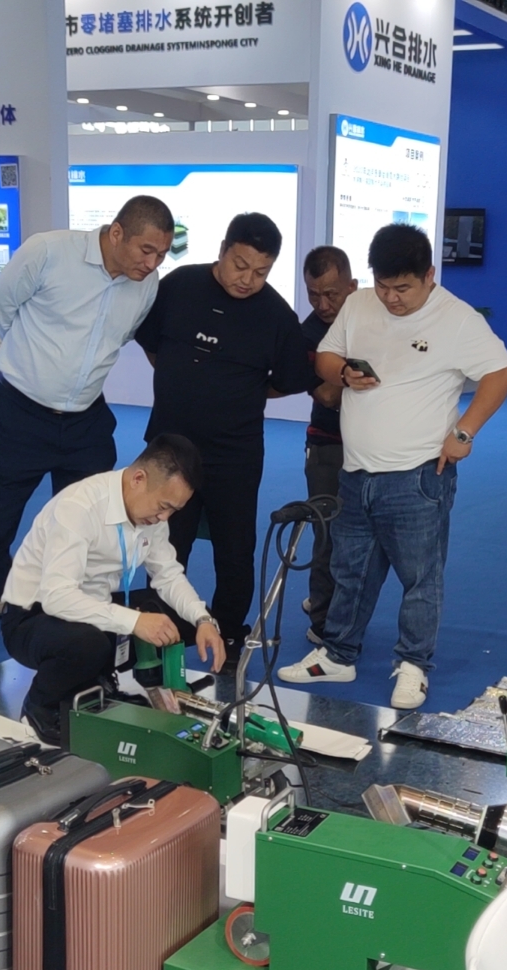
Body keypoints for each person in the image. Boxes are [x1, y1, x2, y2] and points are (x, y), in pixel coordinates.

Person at [0, 195, 177, 681]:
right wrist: (36, 361)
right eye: (146, 250)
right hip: (19, 414)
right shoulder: (48, 252)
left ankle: (88, 641)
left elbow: (118, 337)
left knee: (98, 532)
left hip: (86, 420)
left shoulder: (145, 286)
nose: (152, 264)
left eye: (162, 255)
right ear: (116, 233)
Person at [277, 224, 507, 710]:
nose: (391, 298)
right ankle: (338, 653)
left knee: (420, 578)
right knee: (349, 569)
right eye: (383, 285)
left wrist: (464, 432)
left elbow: (502, 372)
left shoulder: (457, 318)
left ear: (429, 276)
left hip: (418, 475)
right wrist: (343, 373)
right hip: (355, 469)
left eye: (403, 288)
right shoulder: (360, 304)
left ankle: (413, 664)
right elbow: (326, 356)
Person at [134, 212, 312, 661]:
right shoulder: (179, 286)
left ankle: (229, 633)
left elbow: (289, 379)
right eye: (240, 265)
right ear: (222, 251)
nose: (248, 279)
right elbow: (153, 345)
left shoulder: (276, 315)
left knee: (235, 550)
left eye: (261, 272)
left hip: (235, 451)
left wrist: (239, 391)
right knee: (164, 543)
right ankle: (160, 630)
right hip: (169, 449)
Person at [0, 435, 225, 741]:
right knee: (88, 644)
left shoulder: (153, 516)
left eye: (173, 511)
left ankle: (100, 683)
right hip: (33, 617)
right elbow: (57, 597)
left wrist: (203, 620)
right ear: (138, 479)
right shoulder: (79, 507)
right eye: (163, 507)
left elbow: (168, 575)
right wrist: (135, 621)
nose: (164, 518)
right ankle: (41, 705)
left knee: (180, 618)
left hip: (93, 606)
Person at [297, 246, 359, 644]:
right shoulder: (307, 335)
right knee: (328, 537)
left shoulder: (374, 318)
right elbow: (328, 396)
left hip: (377, 449)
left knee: (363, 542)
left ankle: (342, 608)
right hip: (328, 445)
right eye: (313, 294)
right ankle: (322, 620)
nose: (322, 304)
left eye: (331, 294)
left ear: (352, 287)